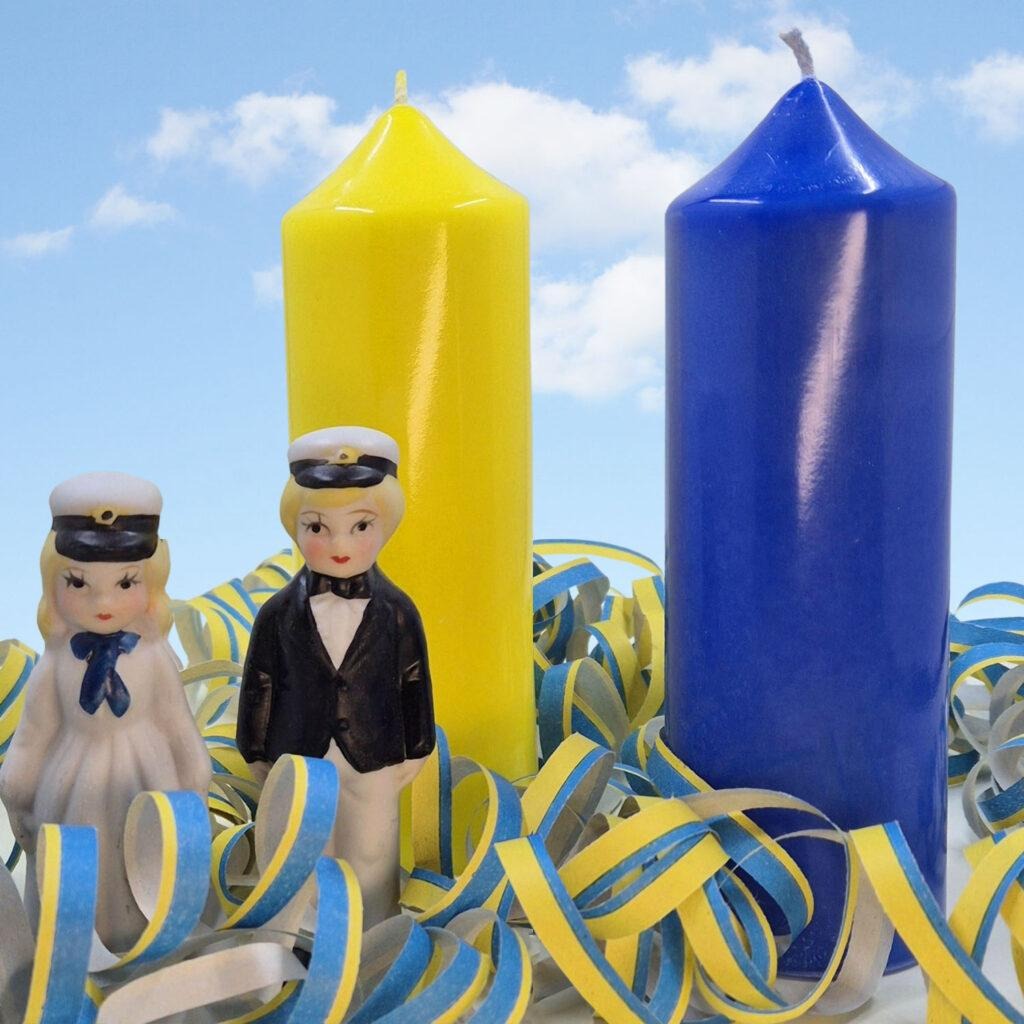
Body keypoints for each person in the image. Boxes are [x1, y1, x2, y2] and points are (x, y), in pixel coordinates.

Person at [0, 472, 211, 951]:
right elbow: (33, 736)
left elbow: (178, 728)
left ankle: (149, 950)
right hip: (73, 786)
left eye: (125, 583)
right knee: (78, 878)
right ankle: (73, 956)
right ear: (53, 581)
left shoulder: (155, 659)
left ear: (150, 581)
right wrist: (17, 793)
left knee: (148, 872)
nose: (103, 602)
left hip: (150, 783)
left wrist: (195, 782)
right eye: (79, 583)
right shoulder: (55, 664)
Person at [236, 425, 435, 928]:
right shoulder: (277, 613)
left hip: (374, 755)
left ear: (387, 525)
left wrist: (418, 748)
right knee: (304, 853)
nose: (339, 544)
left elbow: (413, 681)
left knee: (372, 851)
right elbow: (260, 682)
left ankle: (374, 938)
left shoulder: (398, 611)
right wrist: (254, 750)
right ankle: (308, 943)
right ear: (294, 527)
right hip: (300, 758)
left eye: (360, 525)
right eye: (317, 527)